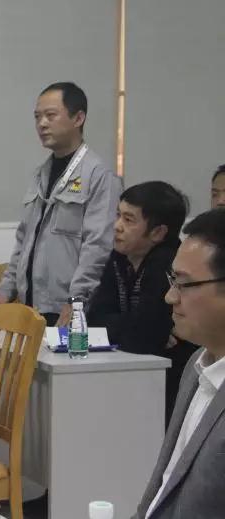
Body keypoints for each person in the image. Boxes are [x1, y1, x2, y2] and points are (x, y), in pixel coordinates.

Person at [0, 82, 122, 326]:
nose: (42, 124)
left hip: (67, 309)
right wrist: (5, 291)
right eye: (37, 117)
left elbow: (98, 247)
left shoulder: (99, 175)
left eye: (50, 115)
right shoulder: (41, 174)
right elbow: (23, 240)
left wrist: (77, 301)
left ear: (78, 118)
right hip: (31, 305)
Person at [133, 209, 225, 518]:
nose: (170, 297)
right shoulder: (197, 364)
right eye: (172, 280)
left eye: (184, 284)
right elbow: (165, 486)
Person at [87, 181, 196, 426]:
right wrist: (136, 326)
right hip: (133, 372)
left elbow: (142, 340)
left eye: (128, 220)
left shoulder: (169, 263)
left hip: (171, 383)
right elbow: (95, 320)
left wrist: (133, 329)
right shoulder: (119, 257)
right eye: (118, 215)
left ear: (158, 233)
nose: (117, 226)